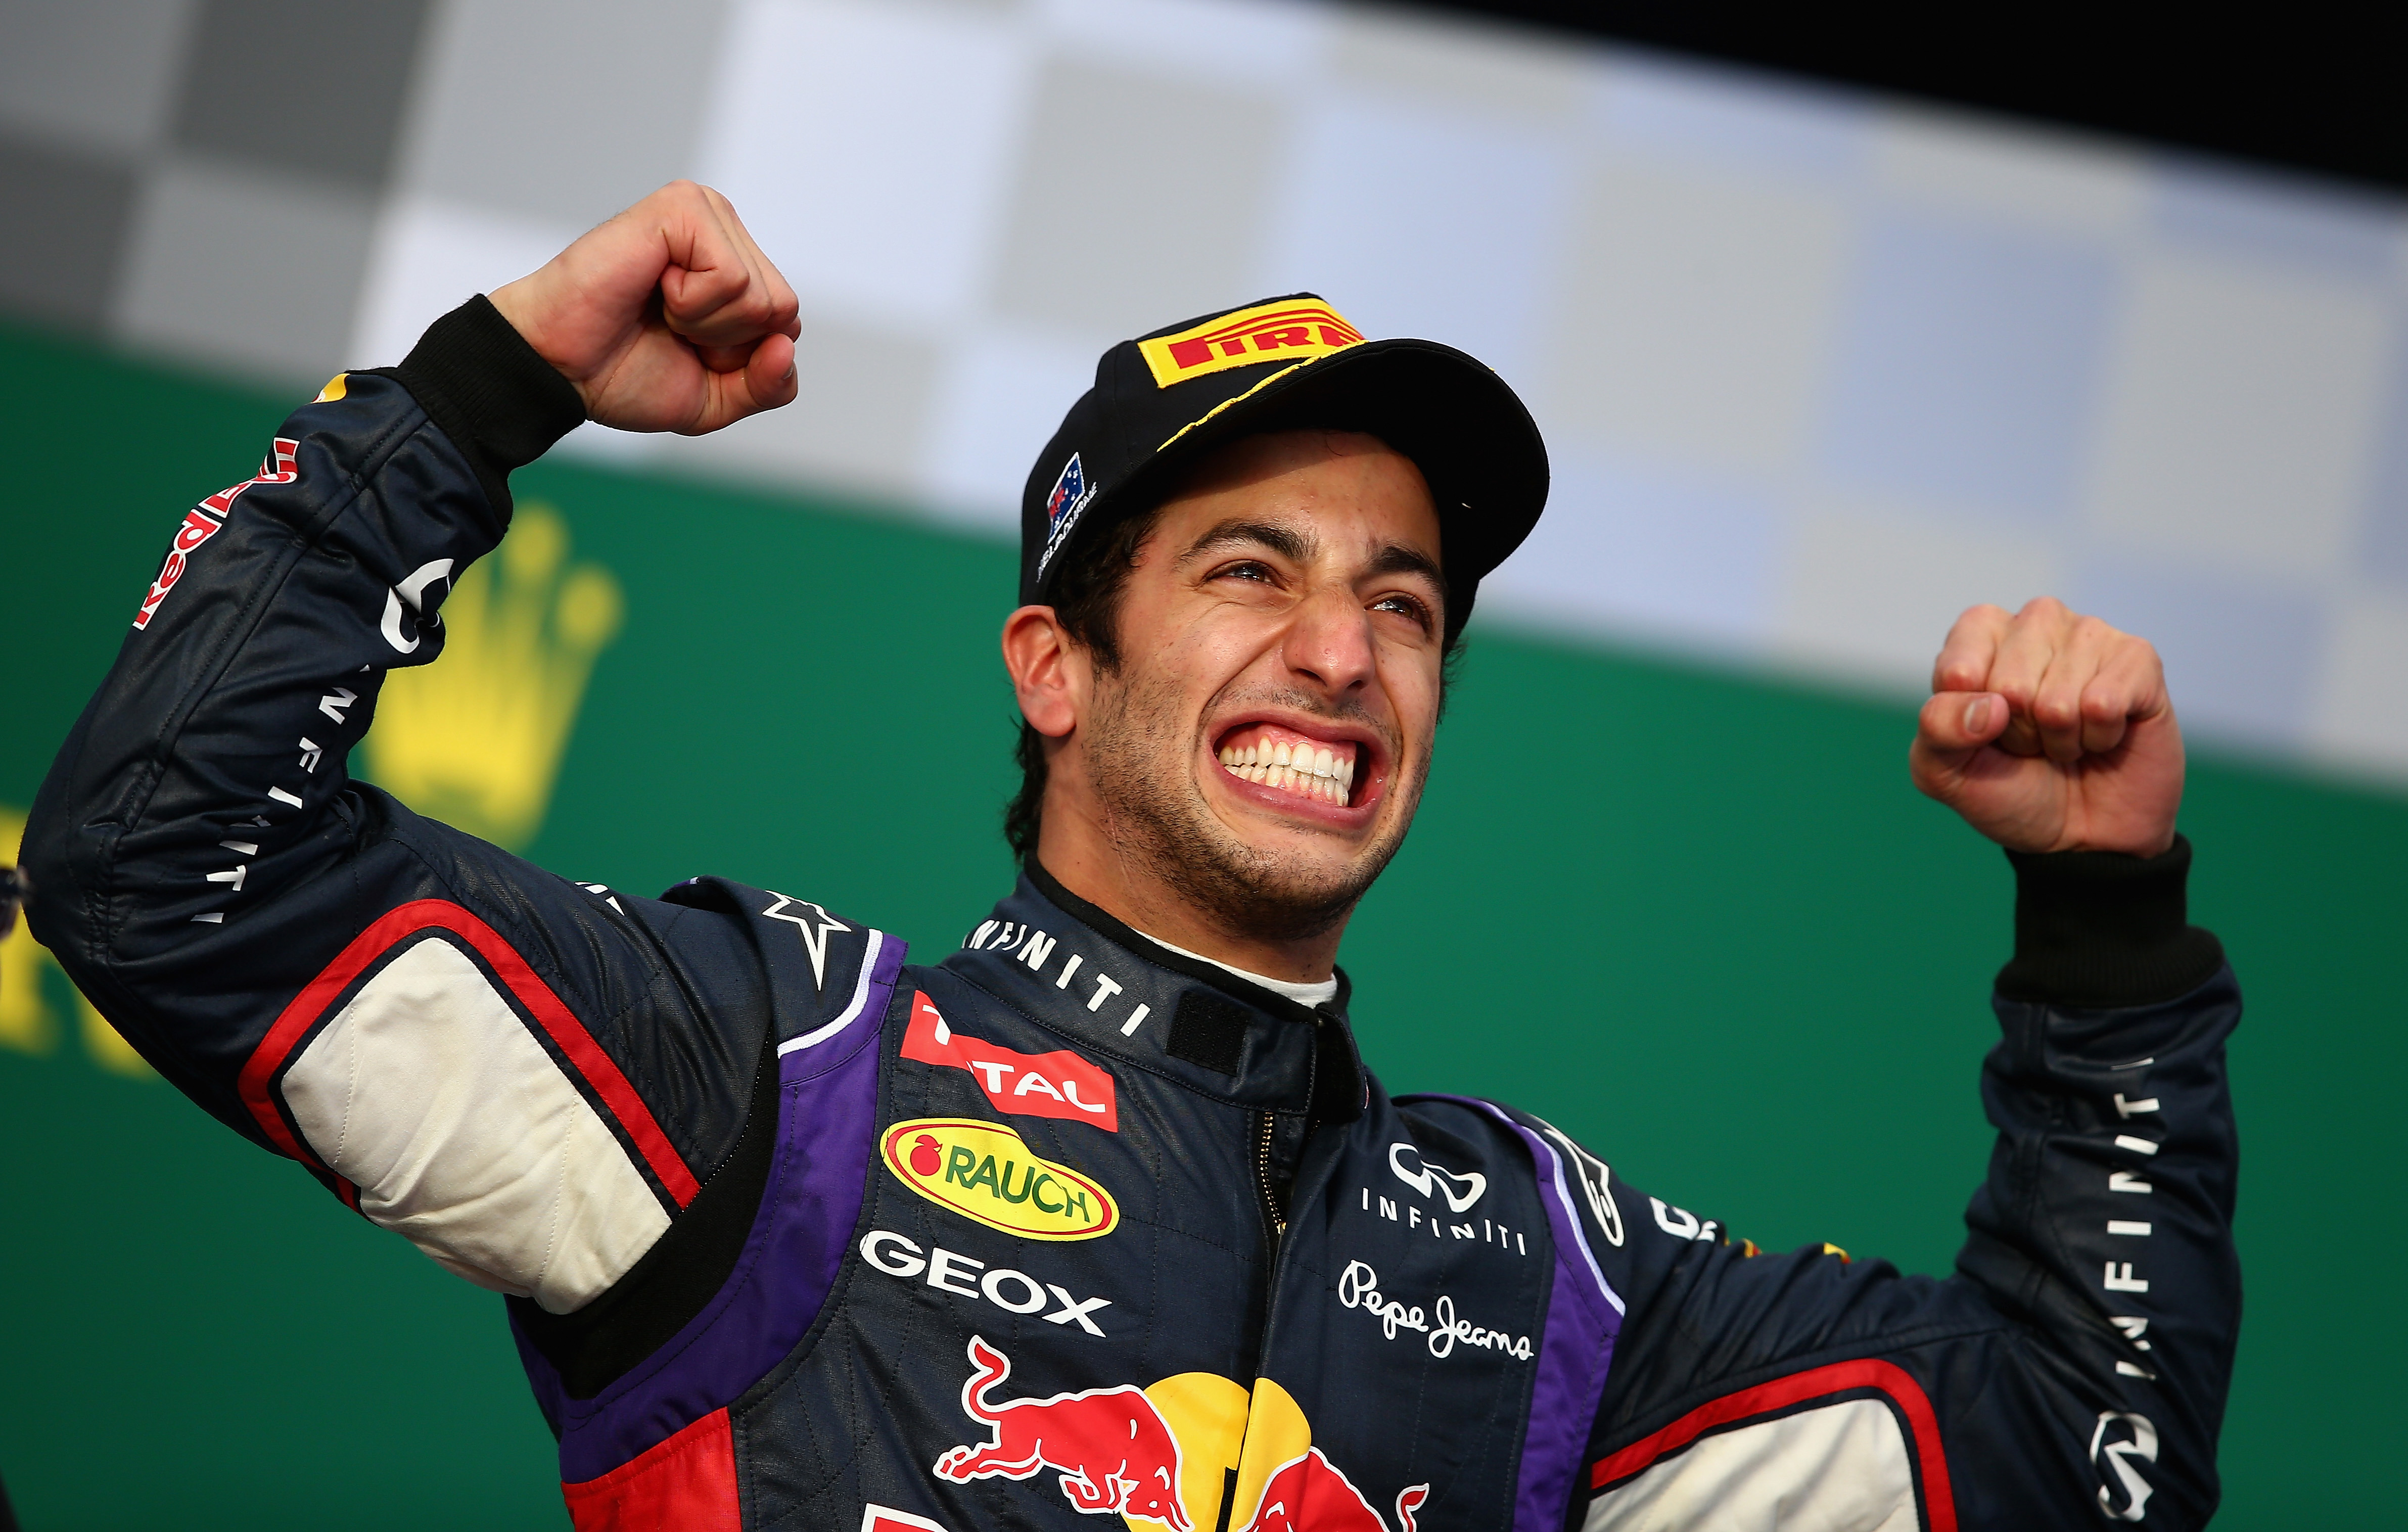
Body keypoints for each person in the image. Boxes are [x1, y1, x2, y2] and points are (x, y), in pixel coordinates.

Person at [24, 182, 2239, 1530]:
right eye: (1249, 571)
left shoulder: (1549, 1272)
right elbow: (158, 864)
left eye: (1402, 602)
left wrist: (2107, 932)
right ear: (1055, 667)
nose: (1341, 652)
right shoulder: (776, 1080)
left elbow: (2083, 1462)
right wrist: (473, 398)